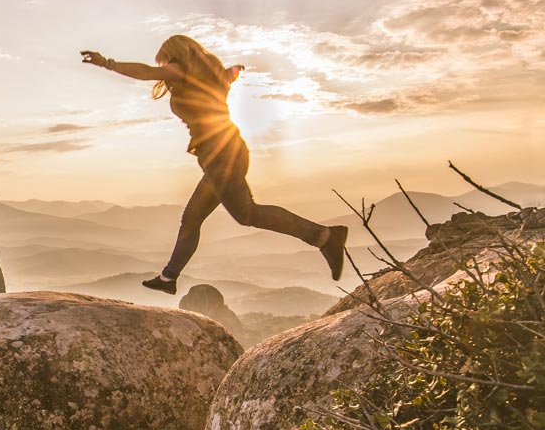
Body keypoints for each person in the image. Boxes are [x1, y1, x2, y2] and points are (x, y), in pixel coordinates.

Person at [81, 34, 347, 294]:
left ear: (176, 54)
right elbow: (227, 78)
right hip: (224, 151)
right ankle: (168, 277)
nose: (164, 69)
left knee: (246, 214)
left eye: (166, 61)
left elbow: (145, 72)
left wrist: (108, 63)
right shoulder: (214, 75)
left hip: (220, 154)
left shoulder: (182, 70)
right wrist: (232, 71)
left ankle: (323, 236)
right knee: (192, 219)